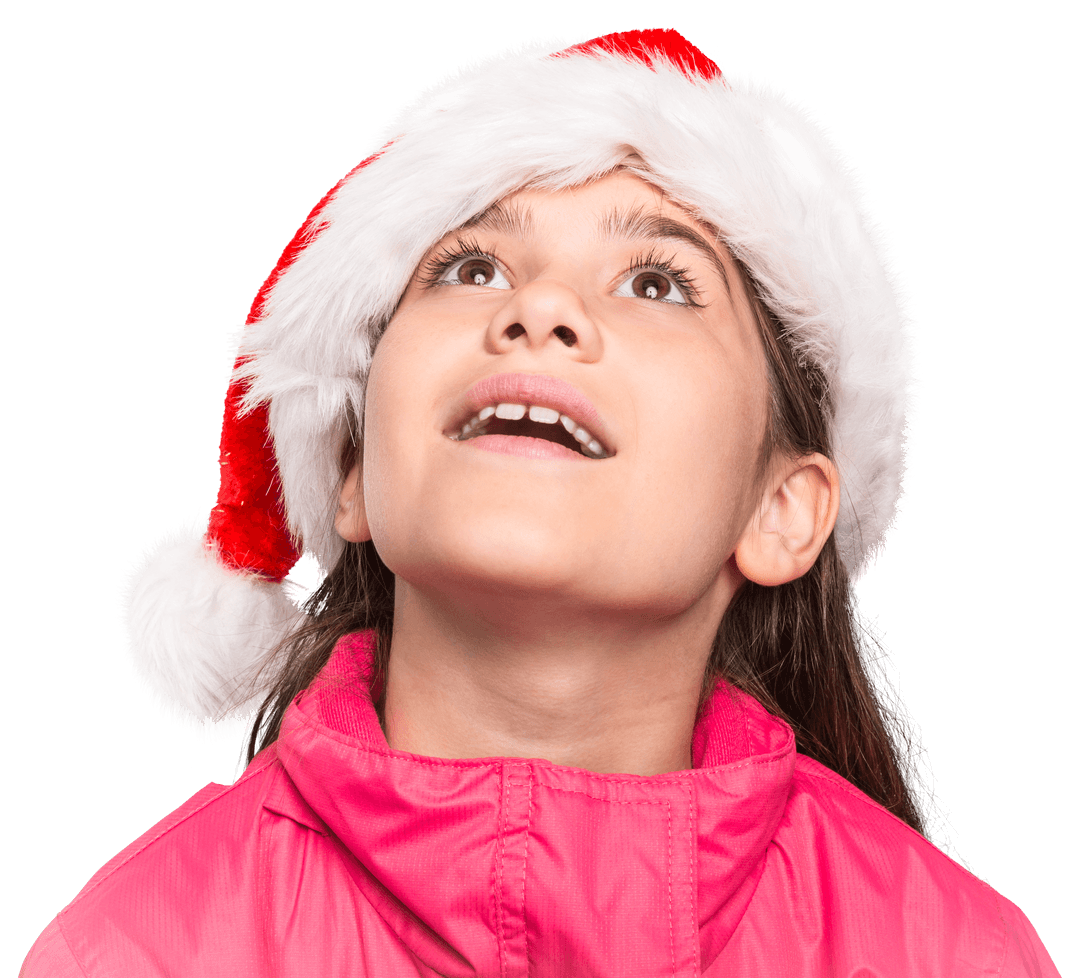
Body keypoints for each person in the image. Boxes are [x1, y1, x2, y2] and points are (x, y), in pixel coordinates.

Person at [21, 27, 1058, 978]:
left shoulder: (955, 956)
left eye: (656, 282)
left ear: (781, 508)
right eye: (471, 266)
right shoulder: (133, 950)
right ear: (351, 473)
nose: (541, 307)